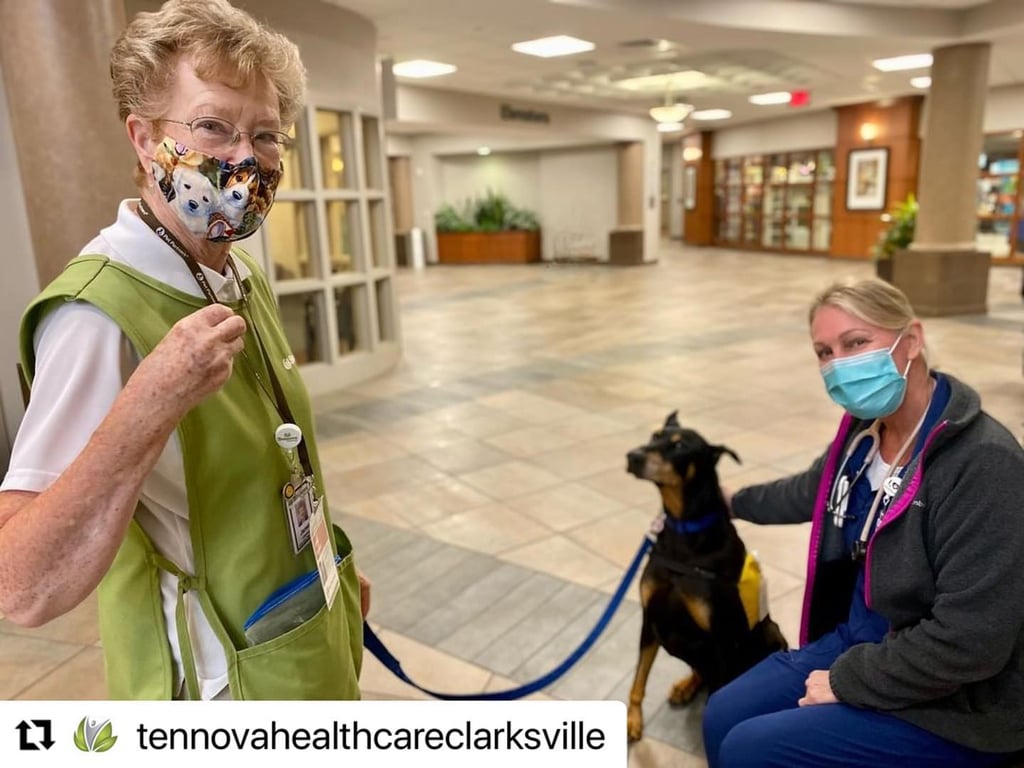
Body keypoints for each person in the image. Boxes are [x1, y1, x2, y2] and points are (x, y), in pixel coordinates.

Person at [0, 0, 368, 700]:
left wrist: (324, 573)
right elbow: (21, 586)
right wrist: (152, 400)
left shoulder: (235, 272)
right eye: (212, 126)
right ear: (143, 138)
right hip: (212, 686)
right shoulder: (95, 314)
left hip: (294, 631)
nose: (244, 158)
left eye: (266, 134)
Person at [702, 278, 1024, 767]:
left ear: (911, 340)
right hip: (860, 637)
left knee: (750, 750)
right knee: (723, 713)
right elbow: (812, 490)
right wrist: (730, 502)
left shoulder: (983, 464)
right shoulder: (864, 434)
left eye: (855, 343)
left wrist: (847, 680)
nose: (839, 365)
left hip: (954, 695)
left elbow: (972, 641)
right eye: (824, 352)